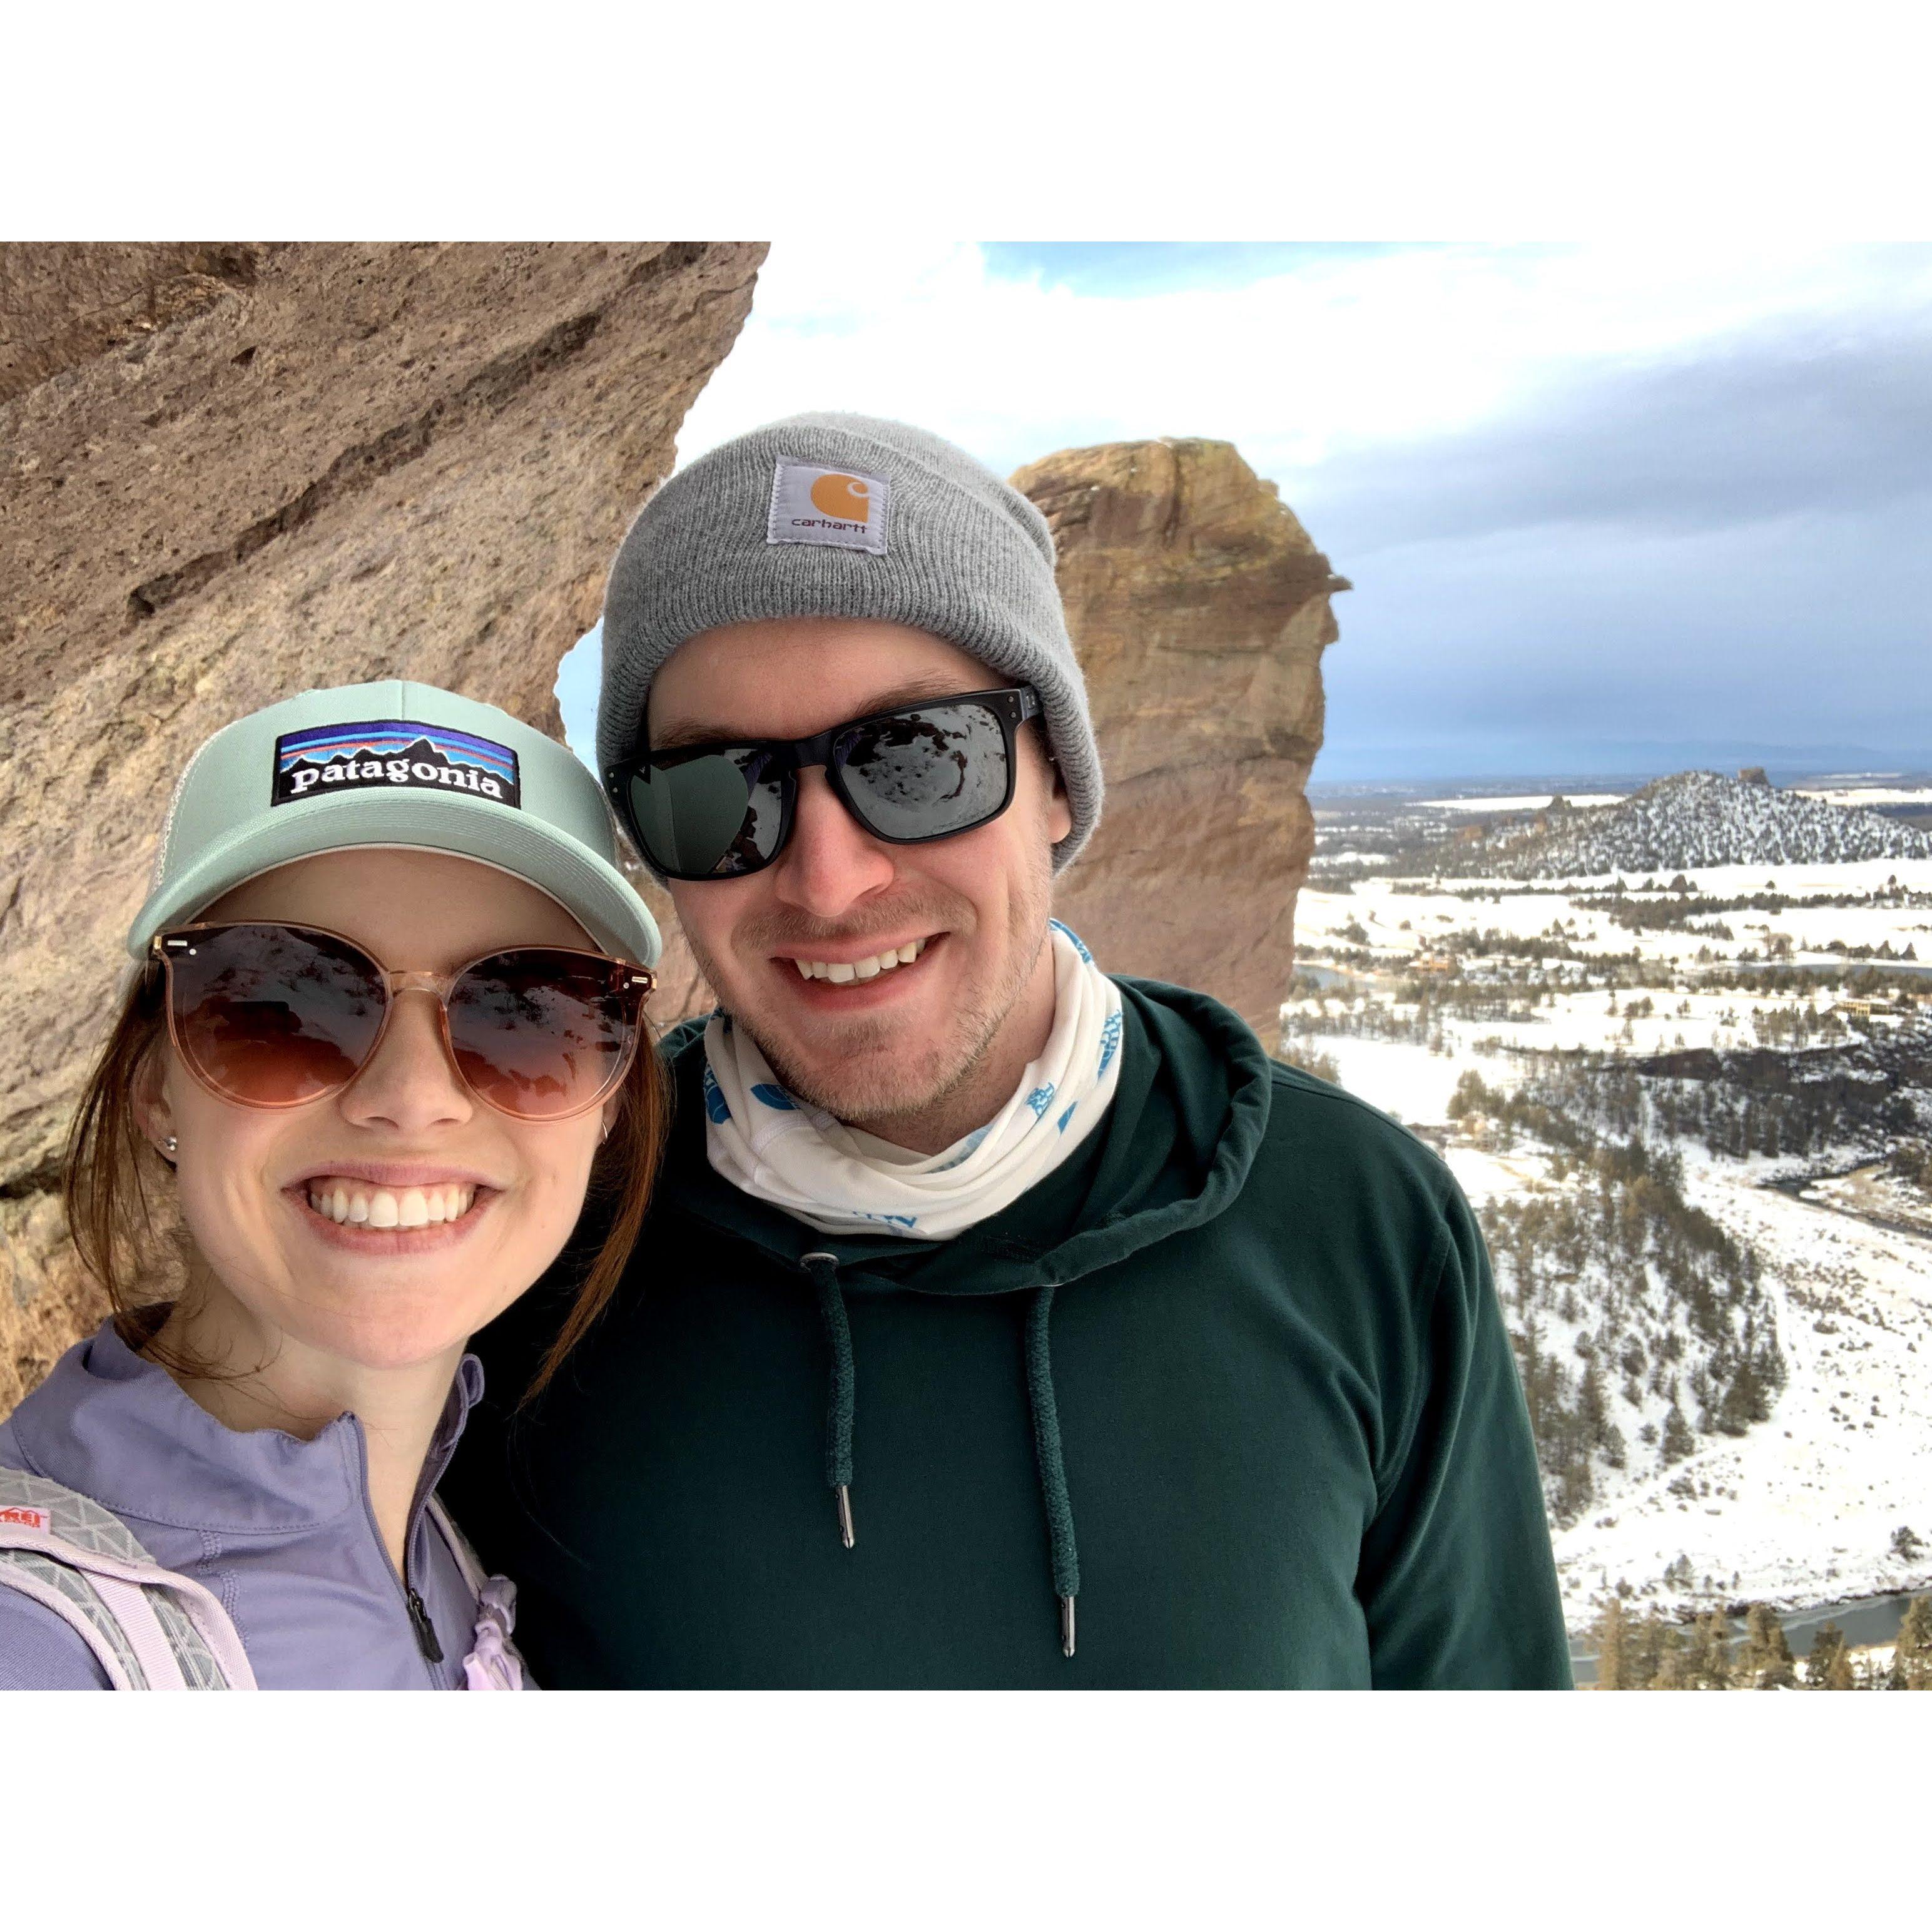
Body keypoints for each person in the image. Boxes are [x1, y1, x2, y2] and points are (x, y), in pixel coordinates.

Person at [444, 413, 1573, 1688]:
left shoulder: (1351, 1219)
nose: (828, 879)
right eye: (717, 793)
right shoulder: (547, 1231)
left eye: (919, 759)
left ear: (1057, 781)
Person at [0, 681, 666, 1689]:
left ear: (610, 1099)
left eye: (529, 1011)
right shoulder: (38, 1650)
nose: (412, 1097)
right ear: (155, 1085)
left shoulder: (442, 1539)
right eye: (282, 1001)